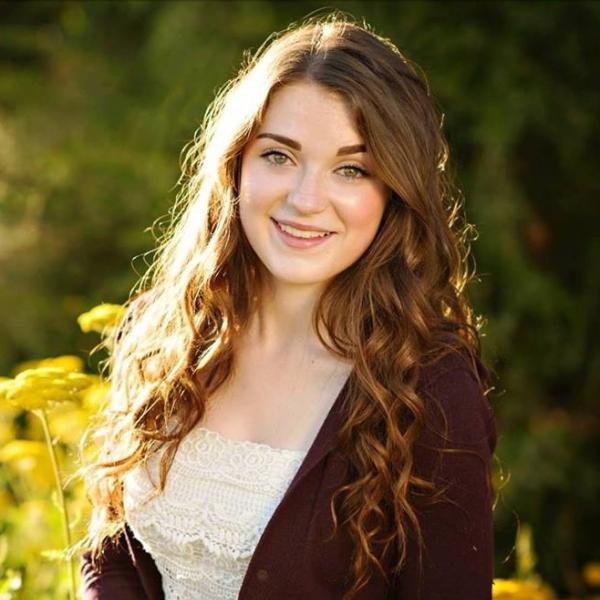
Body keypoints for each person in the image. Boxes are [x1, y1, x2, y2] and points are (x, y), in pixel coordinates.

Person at [78, 12, 497, 600]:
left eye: (351, 169)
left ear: (393, 194)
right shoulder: (161, 332)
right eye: (278, 155)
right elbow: (113, 548)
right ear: (236, 165)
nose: (305, 200)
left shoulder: (427, 385)